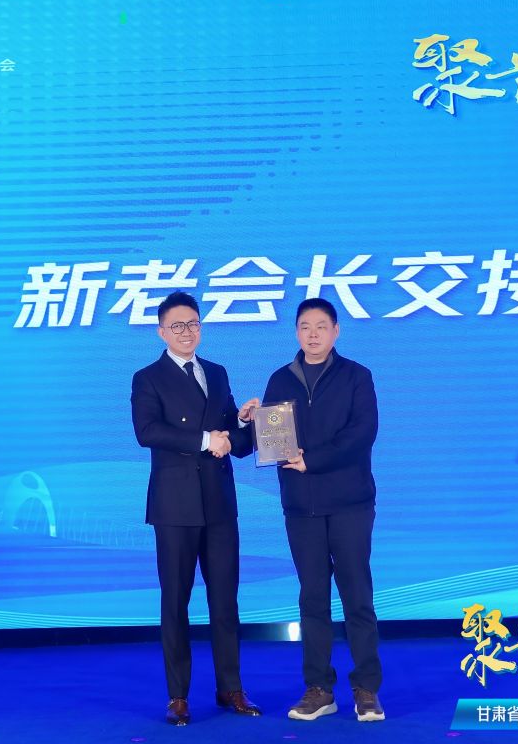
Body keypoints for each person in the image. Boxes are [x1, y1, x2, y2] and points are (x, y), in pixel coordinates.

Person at [244, 297, 385, 722]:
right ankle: (319, 689)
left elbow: (363, 433)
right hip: (301, 506)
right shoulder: (280, 380)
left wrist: (314, 460)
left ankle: (366, 688)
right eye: (305, 326)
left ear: (336, 331)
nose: (313, 334)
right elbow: (269, 441)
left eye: (321, 326)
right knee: (312, 598)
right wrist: (248, 422)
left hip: (350, 504)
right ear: (296, 332)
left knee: (357, 596)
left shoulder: (357, 376)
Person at [131, 291, 262, 726]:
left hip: (219, 503)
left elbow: (234, 443)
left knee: (225, 600)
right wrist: (207, 440)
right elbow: (147, 432)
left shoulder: (217, 372)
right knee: (176, 601)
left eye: (193, 323)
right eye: (177, 325)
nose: (186, 332)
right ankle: (178, 696)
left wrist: (244, 422)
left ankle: (231, 688)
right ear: (161, 332)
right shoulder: (147, 378)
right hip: (175, 507)